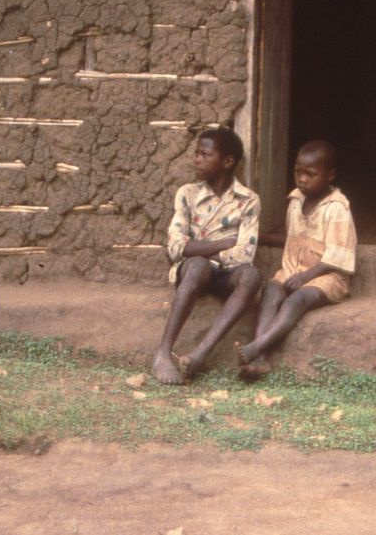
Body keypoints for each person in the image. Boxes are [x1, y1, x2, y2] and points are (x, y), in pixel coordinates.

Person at [235, 140, 357, 381]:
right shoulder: (295, 200)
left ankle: (257, 348)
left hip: (327, 276)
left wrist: (306, 276)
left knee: (296, 300)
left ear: (330, 175)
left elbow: (339, 255)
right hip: (293, 270)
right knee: (271, 292)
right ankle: (260, 361)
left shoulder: (337, 208)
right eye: (298, 172)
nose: (302, 179)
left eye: (311, 174)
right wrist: (263, 238)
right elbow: (293, 238)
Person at [151, 127, 262, 384]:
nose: (197, 159)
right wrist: (224, 243)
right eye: (196, 153)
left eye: (205, 154)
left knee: (252, 276)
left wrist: (200, 246)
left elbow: (245, 254)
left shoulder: (249, 200)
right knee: (199, 265)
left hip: (225, 274)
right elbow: (176, 247)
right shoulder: (187, 194)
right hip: (193, 272)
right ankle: (163, 354)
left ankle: (200, 355)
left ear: (228, 161)